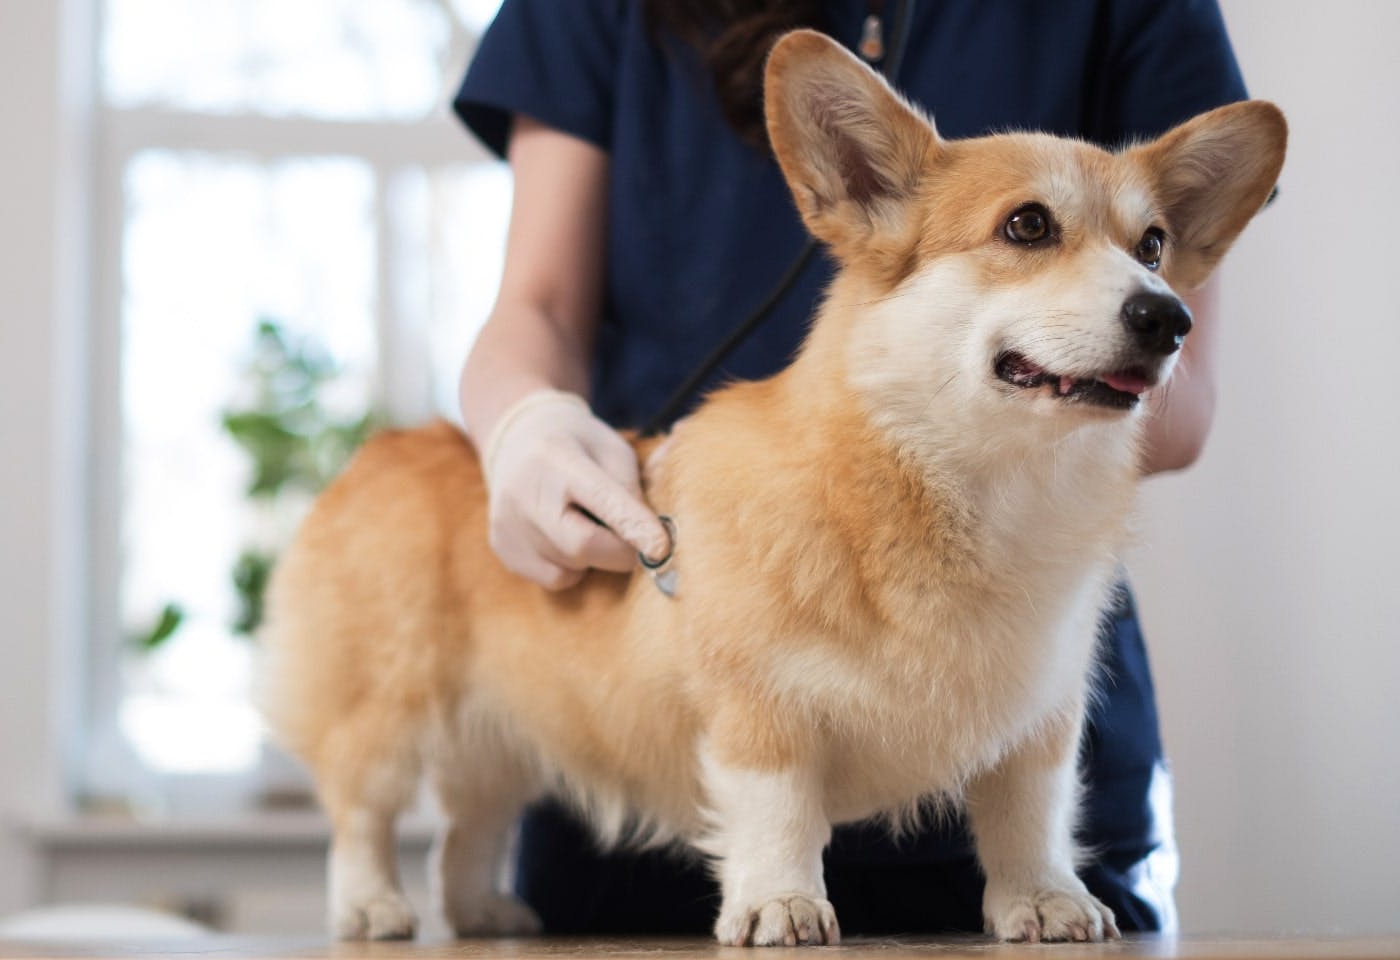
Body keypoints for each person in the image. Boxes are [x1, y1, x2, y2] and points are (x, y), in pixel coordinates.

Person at [452, 0, 1247, 936]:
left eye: (1149, 249)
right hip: (660, 733)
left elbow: (1177, 402)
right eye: (1032, 228)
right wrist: (525, 424)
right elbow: (537, 304)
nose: (1147, 288)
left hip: (1021, 708)